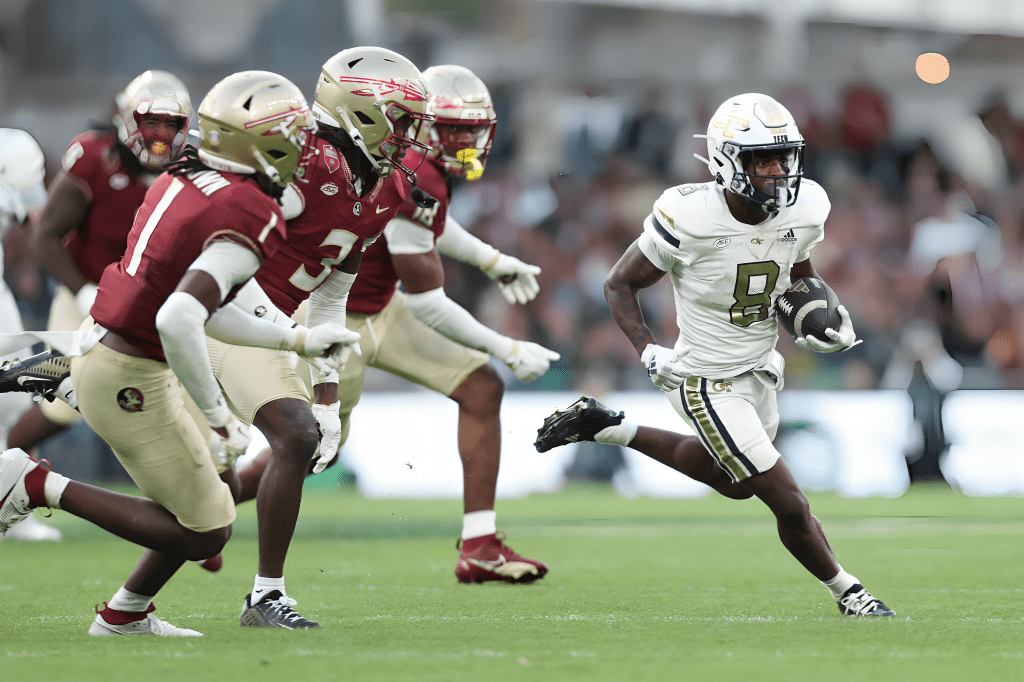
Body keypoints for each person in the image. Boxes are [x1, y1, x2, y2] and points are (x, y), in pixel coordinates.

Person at [0, 70, 357, 636]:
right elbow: (182, 315)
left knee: (201, 505)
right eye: (291, 139)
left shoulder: (185, 175)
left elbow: (199, 307)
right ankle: (33, 484)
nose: (302, 153)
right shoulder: (249, 207)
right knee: (207, 531)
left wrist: (295, 339)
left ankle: (126, 613)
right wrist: (217, 416)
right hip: (132, 369)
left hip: (121, 349)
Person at [535, 93, 895, 617]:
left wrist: (829, 319)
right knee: (786, 497)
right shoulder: (690, 216)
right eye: (762, 160)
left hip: (760, 370)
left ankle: (607, 427)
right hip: (706, 379)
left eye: (783, 157)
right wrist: (647, 350)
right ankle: (851, 592)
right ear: (728, 160)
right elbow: (618, 284)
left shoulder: (805, 207)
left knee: (733, 483)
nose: (777, 171)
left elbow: (799, 275)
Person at [234, 63, 556, 584]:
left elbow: (425, 224)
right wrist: (507, 344)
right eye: (451, 130)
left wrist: (492, 260)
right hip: (336, 319)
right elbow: (429, 300)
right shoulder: (405, 164)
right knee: (313, 447)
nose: (464, 142)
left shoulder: (412, 166)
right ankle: (208, 513)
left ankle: (479, 544)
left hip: (380, 305)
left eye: (471, 131)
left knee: (480, 387)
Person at [190, 46, 435, 627]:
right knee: (202, 505)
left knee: (209, 507)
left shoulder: (384, 187)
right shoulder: (302, 163)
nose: (412, 136)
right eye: (401, 119)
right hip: (214, 314)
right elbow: (220, 254)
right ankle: (39, 488)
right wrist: (283, 336)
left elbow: (330, 294)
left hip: (263, 329)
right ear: (363, 112)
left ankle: (141, 607)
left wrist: (327, 393)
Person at [7, 70, 191, 458]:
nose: (160, 134)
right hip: (86, 297)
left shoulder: (194, 171)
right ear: (126, 119)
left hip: (160, 306)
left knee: (183, 407)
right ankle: (8, 469)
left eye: (170, 123)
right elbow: (46, 236)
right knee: (59, 405)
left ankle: (190, 501)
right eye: (150, 121)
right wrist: (83, 291)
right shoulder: (94, 160)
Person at [0, 128, 61, 542]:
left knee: (16, 394)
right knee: (16, 392)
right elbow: (39, 223)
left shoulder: (13, 147)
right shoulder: (14, 147)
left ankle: (13, 507)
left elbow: (37, 221)